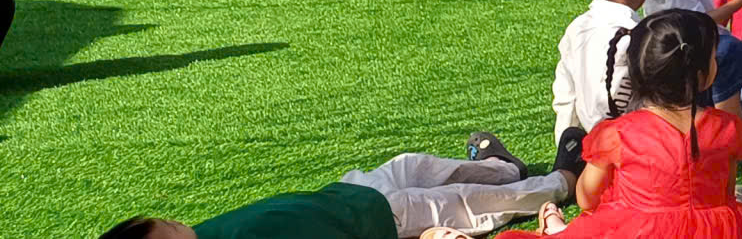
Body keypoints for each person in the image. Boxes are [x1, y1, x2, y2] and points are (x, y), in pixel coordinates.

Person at [98, 136, 566, 239]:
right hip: (378, 219)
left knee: (418, 165)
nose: (173, 222)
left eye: (162, 220)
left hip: (347, 192)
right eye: (166, 229)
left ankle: (503, 167)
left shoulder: (201, 232)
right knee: (469, 204)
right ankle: (560, 183)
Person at [553, 10, 742, 238]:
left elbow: (586, 198)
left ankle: (556, 226)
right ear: (701, 73)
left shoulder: (618, 133)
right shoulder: (727, 128)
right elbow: (726, 194)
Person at [553, 0, 652, 167]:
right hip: (636, 156)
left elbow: (566, 98)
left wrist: (566, 152)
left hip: (585, 153)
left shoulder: (576, 29)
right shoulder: (644, 36)